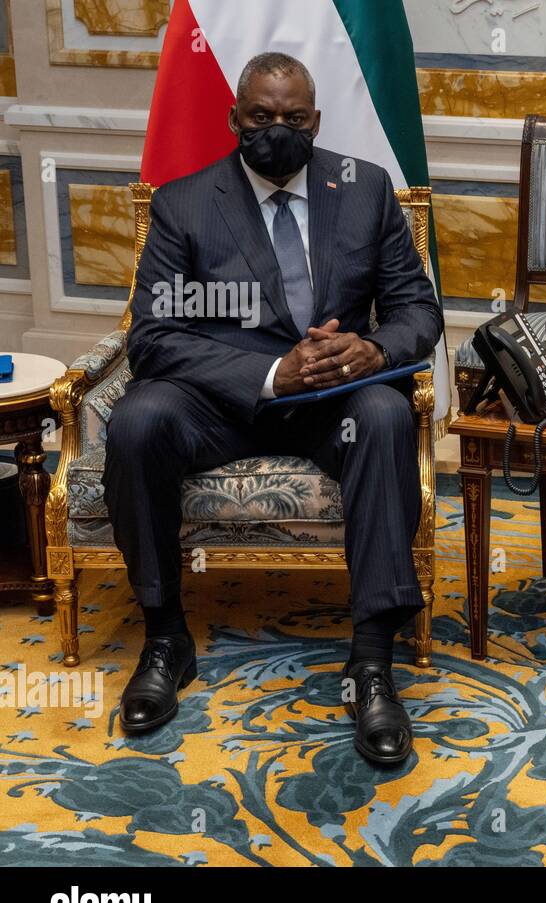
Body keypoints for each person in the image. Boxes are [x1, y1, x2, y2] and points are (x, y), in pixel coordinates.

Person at [103, 52, 442, 765]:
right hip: (223, 402)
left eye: (293, 118)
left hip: (332, 401)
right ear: (235, 119)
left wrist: (372, 351)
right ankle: (166, 639)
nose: (277, 130)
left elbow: (418, 308)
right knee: (137, 420)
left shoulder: (365, 188)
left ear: (315, 121)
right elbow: (154, 338)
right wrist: (269, 370)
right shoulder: (185, 202)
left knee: (384, 415)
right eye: (261, 117)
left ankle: (371, 661)